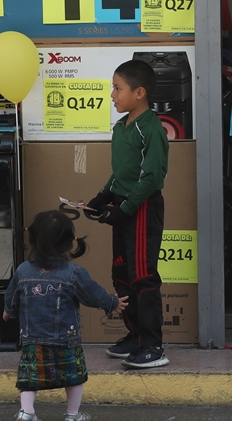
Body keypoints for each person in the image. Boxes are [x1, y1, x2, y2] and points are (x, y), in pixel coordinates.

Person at [86, 59, 169, 369]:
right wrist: (103, 196)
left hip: (142, 208)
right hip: (124, 205)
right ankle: (134, 336)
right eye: (113, 88)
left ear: (140, 93)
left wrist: (124, 209)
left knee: (142, 276)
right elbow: (121, 174)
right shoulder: (121, 128)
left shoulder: (151, 128)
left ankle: (153, 345)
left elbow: (151, 178)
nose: (112, 95)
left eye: (118, 89)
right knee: (121, 272)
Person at [4, 211, 126, 421]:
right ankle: (72, 415)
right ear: (69, 243)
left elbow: (11, 295)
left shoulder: (23, 271)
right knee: (73, 377)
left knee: (30, 377)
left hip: (33, 339)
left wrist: (9, 311)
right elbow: (92, 294)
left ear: (33, 239)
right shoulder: (73, 273)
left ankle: (26, 412)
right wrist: (112, 303)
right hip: (66, 340)